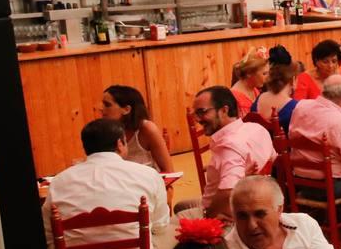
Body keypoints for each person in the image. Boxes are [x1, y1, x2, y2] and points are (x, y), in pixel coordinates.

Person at [43, 119, 171, 249]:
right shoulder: (147, 175)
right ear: (120, 144)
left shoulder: (59, 181)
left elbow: (47, 234)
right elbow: (160, 227)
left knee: (53, 242)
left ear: (86, 148)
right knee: (172, 229)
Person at [190, 86, 276, 220]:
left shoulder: (228, 146)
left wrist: (207, 216)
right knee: (183, 206)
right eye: (196, 113)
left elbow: (227, 191)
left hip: (223, 217)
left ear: (224, 110)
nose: (198, 119)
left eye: (202, 112)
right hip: (256, 204)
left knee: (177, 212)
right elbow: (274, 161)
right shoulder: (257, 128)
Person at [101, 84, 172, 172]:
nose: (101, 109)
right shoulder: (104, 131)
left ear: (126, 109)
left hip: (147, 183)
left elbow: (169, 171)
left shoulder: (147, 129)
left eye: (107, 105)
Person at [229, 48, 268, 116]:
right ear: (249, 73)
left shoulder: (255, 90)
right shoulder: (234, 98)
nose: (267, 77)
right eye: (264, 74)